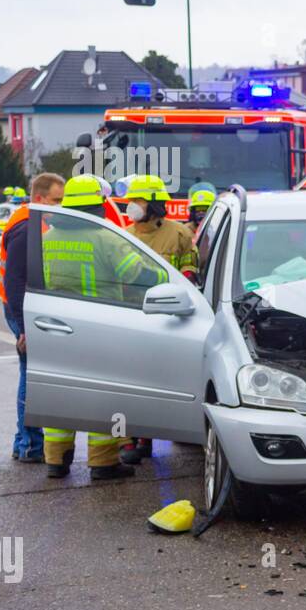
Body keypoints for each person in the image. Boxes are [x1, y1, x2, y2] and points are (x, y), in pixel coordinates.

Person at [37, 175, 165, 481]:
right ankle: (103, 463)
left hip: (54, 326)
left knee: (59, 395)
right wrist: (166, 279)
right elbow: (134, 274)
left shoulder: (47, 238)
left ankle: (56, 460)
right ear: (97, 206)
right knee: (102, 397)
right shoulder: (106, 238)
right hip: (98, 328)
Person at [119, 175, 198, 465]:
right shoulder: (125, 234)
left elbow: (190, 269)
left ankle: (156, 433)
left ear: (153, 204)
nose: (132, 207)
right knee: (131, 382)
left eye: (137, 201)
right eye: (131, 202)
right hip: (134, 317)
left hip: (170, 319)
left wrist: (185, 283)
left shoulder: (179, 234)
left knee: (162, 380)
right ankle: (132, 440)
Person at [0, 172, 65, 463]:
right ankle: (28, 444)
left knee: (32, 373)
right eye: (56, 200)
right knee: (31, 374)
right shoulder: (27, 228)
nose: (61, 206)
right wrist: (25, 329)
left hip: (26, 308)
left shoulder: (35, 221)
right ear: (40, 198)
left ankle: (25, 444)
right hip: (22, 311)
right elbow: (15, 281)